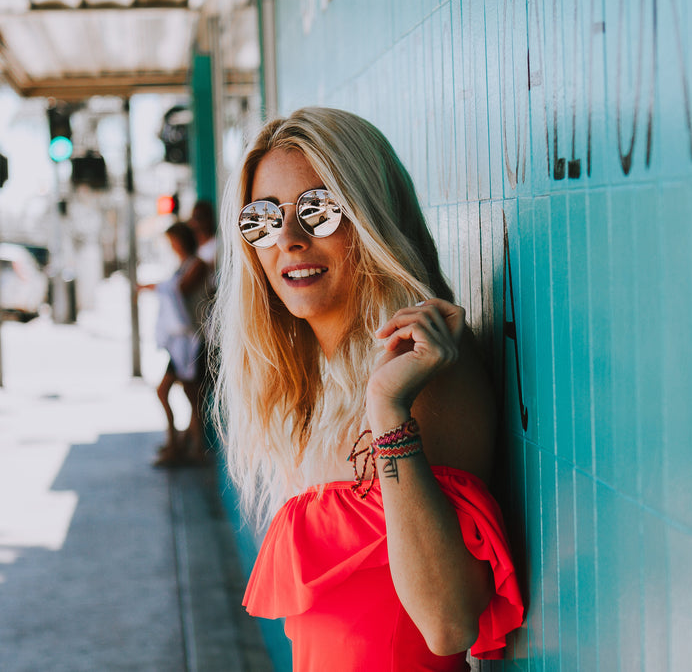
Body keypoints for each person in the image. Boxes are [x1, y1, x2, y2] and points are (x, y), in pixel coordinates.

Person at [211, 107, 523, 671]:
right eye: (263, 218)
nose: (290, 239)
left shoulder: (419, 374)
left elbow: (448, 623)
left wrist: (386, 410)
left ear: (371, 215)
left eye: (319, 210)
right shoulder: (308, 384)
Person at [142, 221, 209, 467]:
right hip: (182, 342)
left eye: (173, 241)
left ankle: (191, 447)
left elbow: (178, 290)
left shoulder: (198, 265)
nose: (171, 246)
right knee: (170, 391)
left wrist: (151, 286)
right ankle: (178, 443)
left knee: (193, 396)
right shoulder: (182, 266)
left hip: (194, 340)